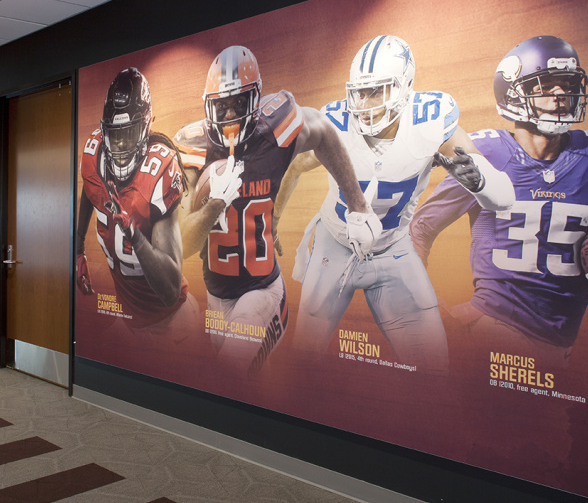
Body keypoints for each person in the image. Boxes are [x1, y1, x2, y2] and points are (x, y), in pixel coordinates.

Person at [411, 36, 588, 367]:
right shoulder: (485, 154)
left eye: (568, 85)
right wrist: (421, 308)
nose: (561, 95)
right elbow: (420, 229)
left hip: (559, 346)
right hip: (490, 329)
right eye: (547, 85)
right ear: (513, 92)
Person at [273, 35, 514, 374]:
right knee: (303, 359)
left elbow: (504, 197)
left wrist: (481, 180)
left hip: (392, 248)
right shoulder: (338, 123)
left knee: (433, 364)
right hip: (335, 244)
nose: (365, 102)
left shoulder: (429, 122)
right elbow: (296, 165)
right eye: (360, 91)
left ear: (405, 88)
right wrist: (273, 217)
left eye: (377, 90)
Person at [175, 45, 374, 375]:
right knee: (245, 384)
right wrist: (217, 204)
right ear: (207, 105)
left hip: (262, 293)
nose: (228, 115)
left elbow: (324, 131)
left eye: (238, 103)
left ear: (255, 99)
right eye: (221, 105)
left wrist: (359, 205)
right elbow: (183, 245)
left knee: (229, 374)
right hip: (217, 296)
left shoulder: (276, 131)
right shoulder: (194, 150)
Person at [76, 67, 198, 341]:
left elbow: (169, 293)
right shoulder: (94, 155)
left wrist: (136, 237)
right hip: (131, 319)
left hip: (173, 323)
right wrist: (77, 248)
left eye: (128, 134)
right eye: (114, 134)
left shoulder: (158, 172)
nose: (118, 146)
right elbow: (90, 185)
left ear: (145, 127)